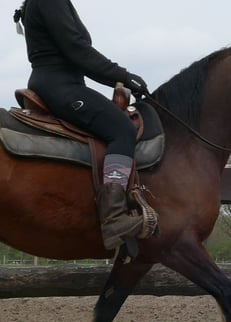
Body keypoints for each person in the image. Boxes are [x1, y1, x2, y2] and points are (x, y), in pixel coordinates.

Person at [13, 0, 151, 251]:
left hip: (61, 82)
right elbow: (77, 50)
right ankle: (114, 218)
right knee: (122, 129)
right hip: (60, 85)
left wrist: (119, 78)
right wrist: (122, 76)